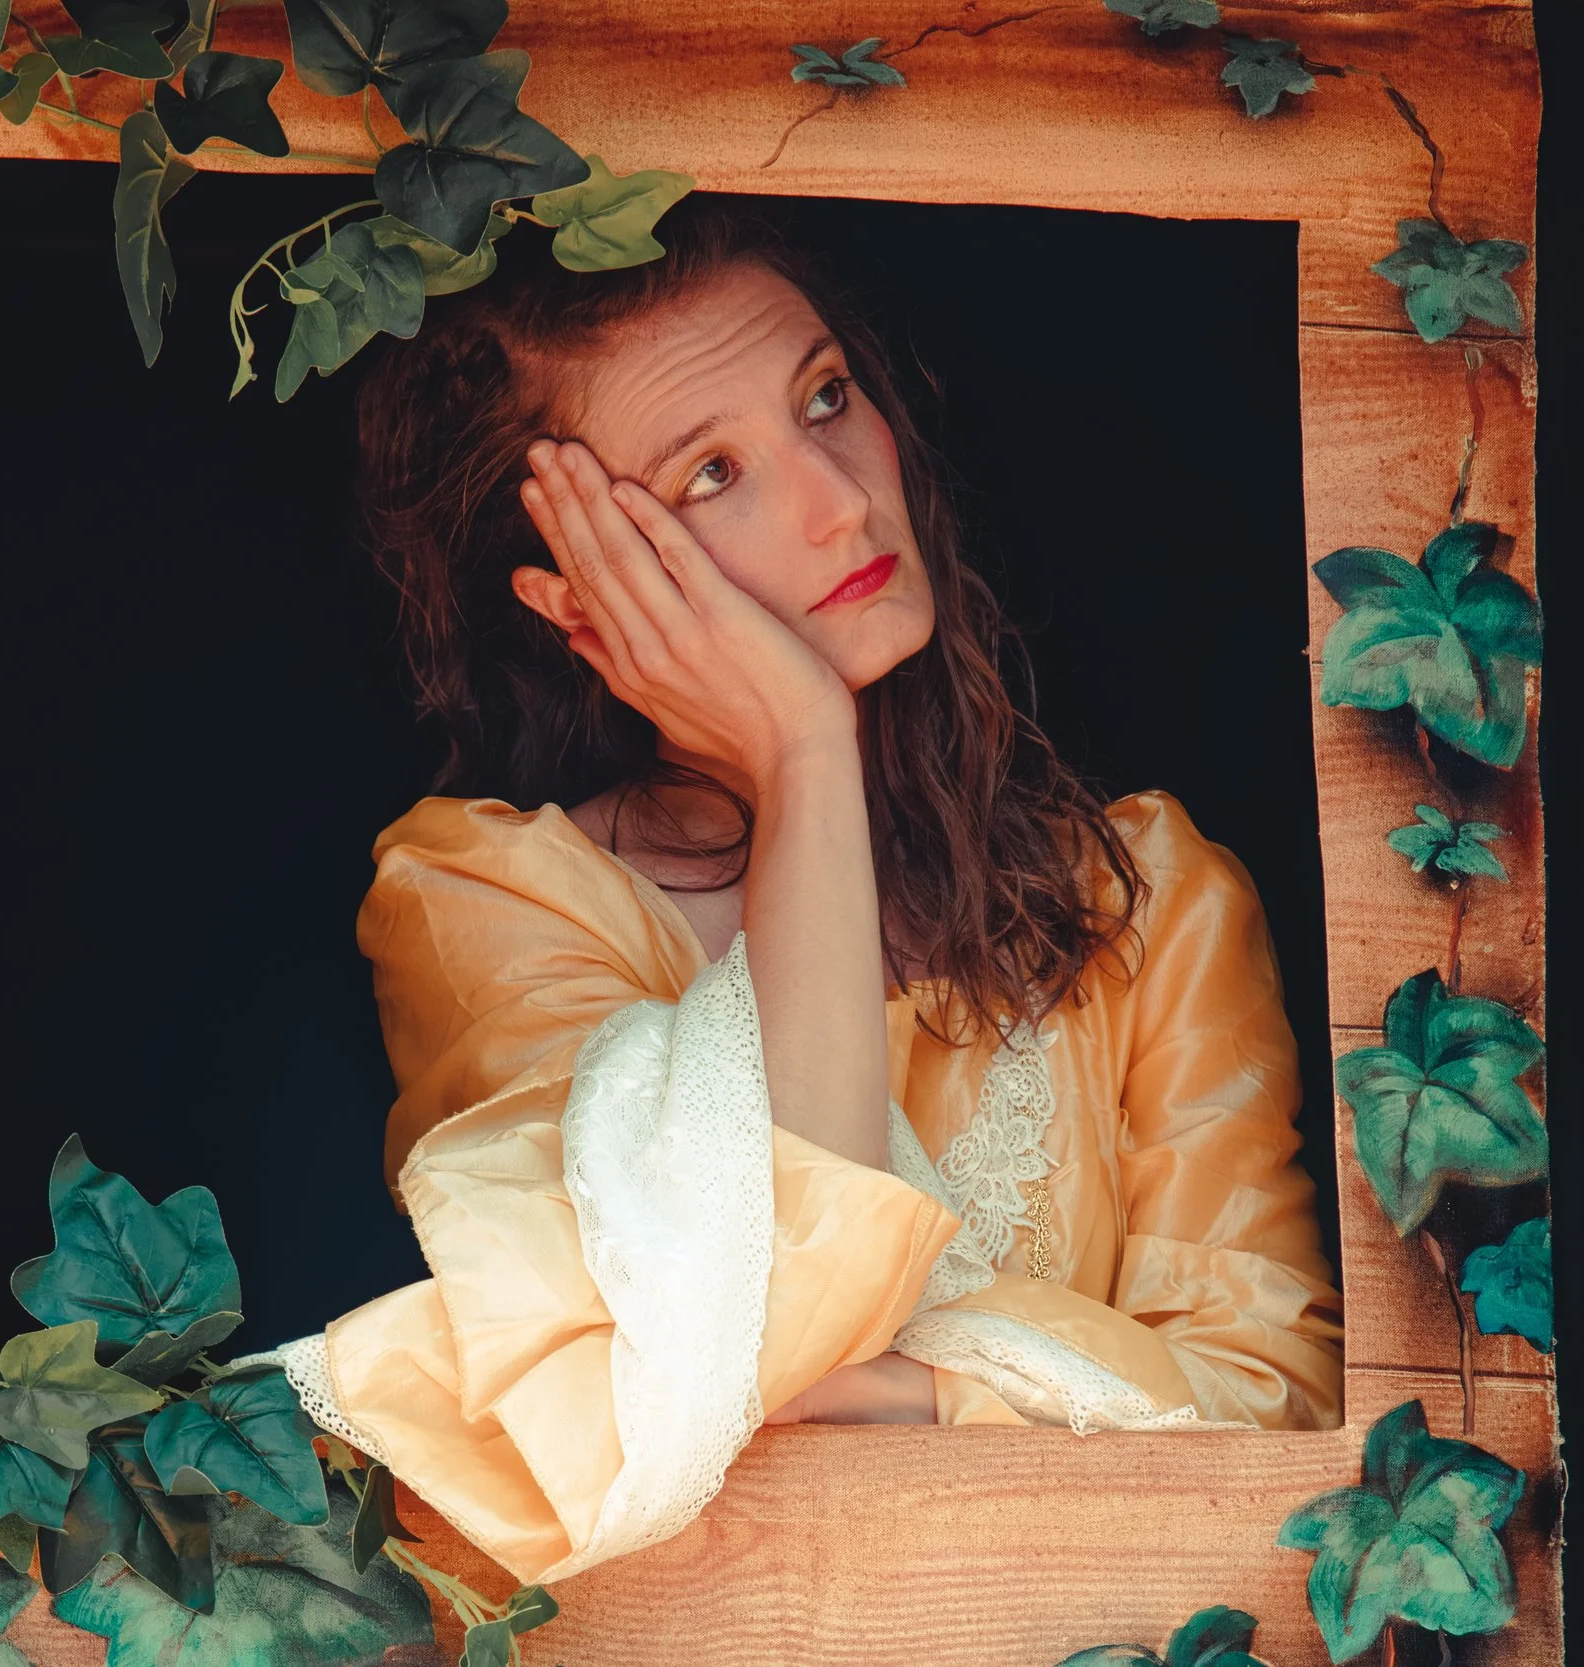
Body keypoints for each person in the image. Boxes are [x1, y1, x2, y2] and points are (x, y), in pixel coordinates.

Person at [267, 201, 1343, 1587]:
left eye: (826, 396)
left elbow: (1285, 1409)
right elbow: (761, 1315)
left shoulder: (1149, 898)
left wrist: (939, 1389)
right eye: (712, 472)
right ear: (577, 605)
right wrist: (803, 755)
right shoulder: (488, 896)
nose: (840, 496)